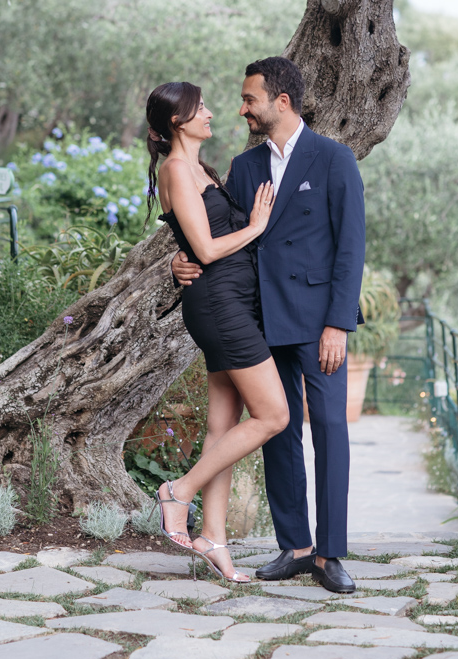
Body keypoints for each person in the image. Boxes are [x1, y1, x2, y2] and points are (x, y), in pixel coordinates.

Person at [173, 57, 365, 593]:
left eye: (250, 99)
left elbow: (351, 249)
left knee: (329, 431)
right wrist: (180, 261)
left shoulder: (334, 159)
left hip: (319, 325)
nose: (242, 109)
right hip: (261, 318)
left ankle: (329, 554)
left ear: (281, 102)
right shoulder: (245, 165)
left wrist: (338, 325)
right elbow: (221, 233)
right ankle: (295, 546)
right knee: (278, 431)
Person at [145, 80, 290, 584]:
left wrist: (174, 260)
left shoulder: (198, 169)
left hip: (230, 303)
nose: (209, 113)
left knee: (221, 428)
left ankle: (214, 540)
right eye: (199, 108)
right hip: (221, 307)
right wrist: (256, 226)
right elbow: (205, 250)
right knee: (274, 414)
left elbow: (189, 242)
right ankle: (177, 492)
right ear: (176, 123)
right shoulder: (177, 170)